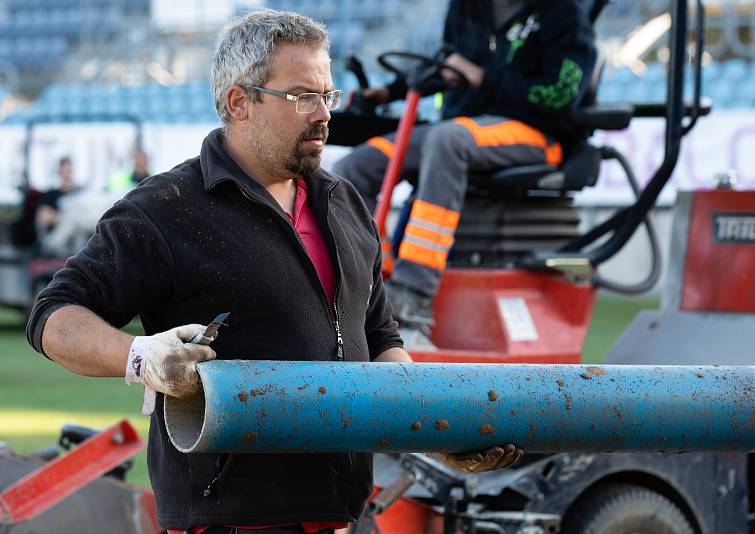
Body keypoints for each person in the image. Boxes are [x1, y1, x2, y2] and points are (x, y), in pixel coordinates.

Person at [26, 10, 522, 534]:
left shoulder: (345, 201)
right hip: (233, 522)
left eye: (327, 96)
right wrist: (139, 356)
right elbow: (53, 318)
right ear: (240, 102)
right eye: (302, 96)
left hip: (348, 514)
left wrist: (436, 431)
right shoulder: (166, 208)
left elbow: (379, 341)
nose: (323, 113)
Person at [333, 0, 596, 343]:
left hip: (535, 131)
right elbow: (446, 65)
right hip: (461, 127)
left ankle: (414, 292)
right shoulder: (467, 8)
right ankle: (365, 279)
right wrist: (388, 91)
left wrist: (482, 78)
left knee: (448, 140)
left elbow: (560, 95)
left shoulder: (562, 13)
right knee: (356, 165)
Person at [35, 156, 77, 236]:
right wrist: (64, 217)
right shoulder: (50, 195)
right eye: (66, 170)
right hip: (57, 237)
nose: (68, 174)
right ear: (59, 172)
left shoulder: (79, 194)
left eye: (70, 170)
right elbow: (44, 217)